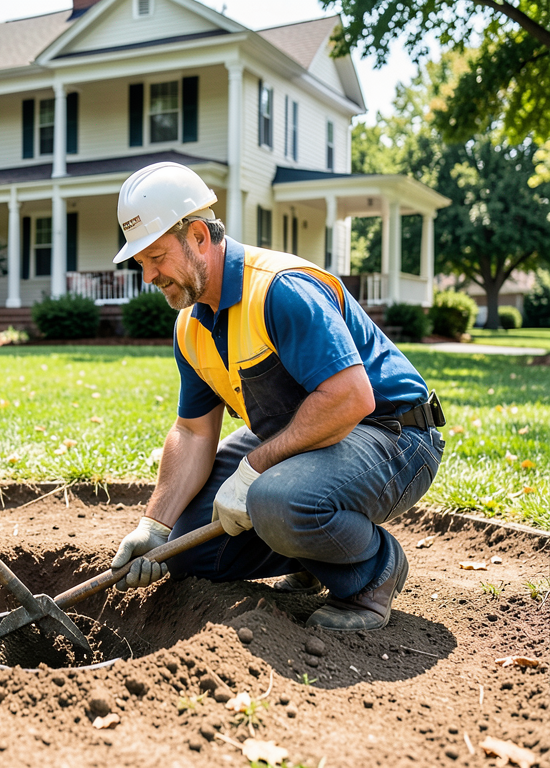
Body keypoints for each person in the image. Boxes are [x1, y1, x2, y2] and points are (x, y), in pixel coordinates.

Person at [109, 162, 445, 632]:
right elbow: (193, 431)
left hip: (395, 435)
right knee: (184, 549)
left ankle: (373, 571)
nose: (148, 275)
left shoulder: (280, 289)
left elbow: (350, 398)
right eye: (140, 261)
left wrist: (254, 469)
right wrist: (155, 527)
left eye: (157, 257)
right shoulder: (191, 326)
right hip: (309, 440)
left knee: (273, 498)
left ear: (199, 236)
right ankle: (313, 552)